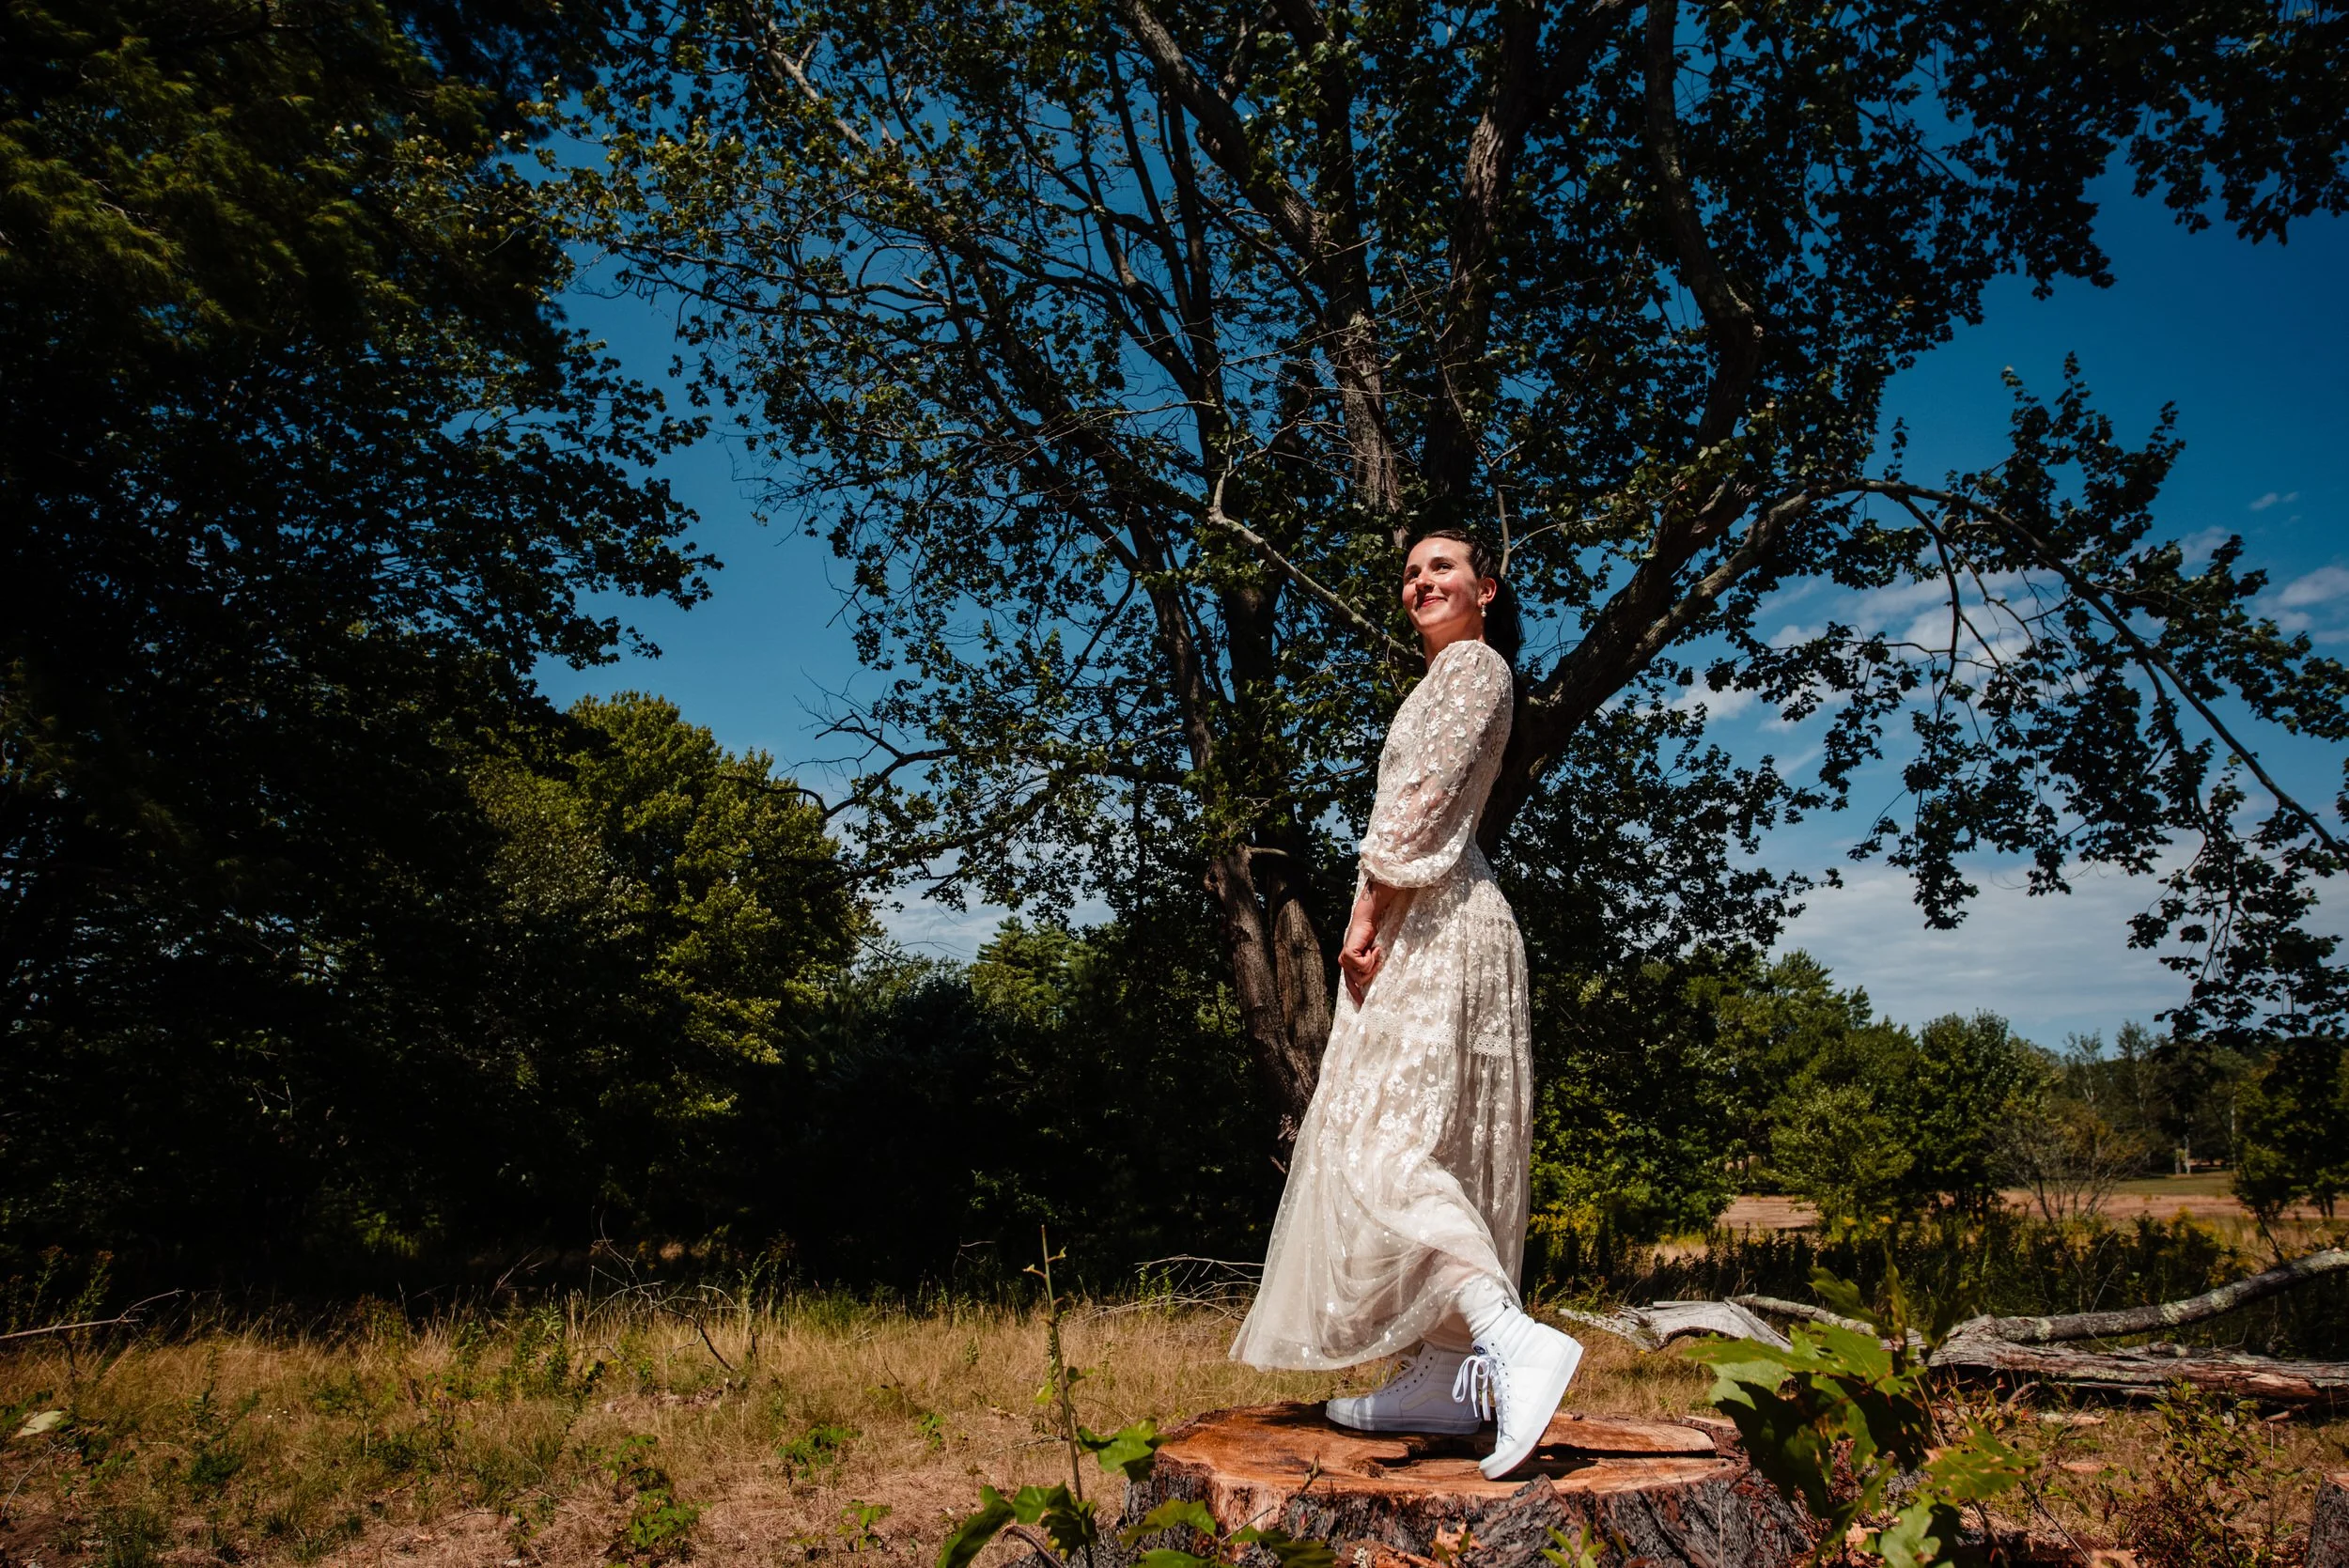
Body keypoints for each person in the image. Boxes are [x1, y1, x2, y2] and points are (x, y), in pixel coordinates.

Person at [1228, 527, 1581, 1481]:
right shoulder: (1446, 678)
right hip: (1440, 913)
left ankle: (1510, 1340)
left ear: (1487, 590)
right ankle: (1443, 1371)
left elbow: (1419, 804)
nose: (1424, 581)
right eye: (1412, 572)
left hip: (1431, 919)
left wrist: (1364, 912)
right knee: (1434, 1141)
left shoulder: (1472, 668)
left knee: (1381, 1140)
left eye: (1444, 568)